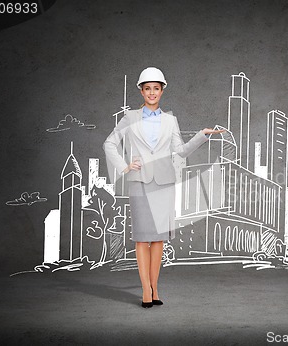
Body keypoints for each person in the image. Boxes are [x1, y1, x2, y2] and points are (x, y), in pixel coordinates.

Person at [103, 67, 224, 308]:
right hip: (139, 182)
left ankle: (155, 288)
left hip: (164, 184)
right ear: (141, 90)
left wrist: (202, 135)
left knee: (158, 240)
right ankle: (146, 291)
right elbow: (109, 144)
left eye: (156, 89)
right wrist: (125, 166)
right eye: (147, 88)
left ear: (162, 91)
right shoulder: (129, 118)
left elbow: (180, 151)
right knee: (141, 239)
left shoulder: (171, 120)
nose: (151, 93)